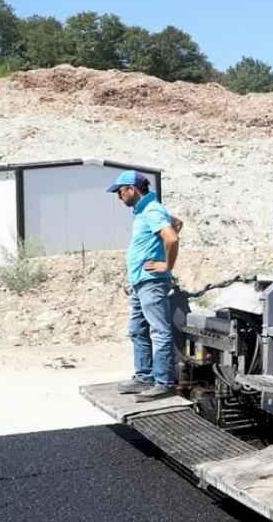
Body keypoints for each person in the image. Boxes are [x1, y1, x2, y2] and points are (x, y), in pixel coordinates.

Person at [108, 170, 184, 402]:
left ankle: (163, 382)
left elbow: (172, 237)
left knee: (159, 331)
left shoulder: (151, 210)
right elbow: (177, 223)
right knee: (137, 329)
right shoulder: (147, 209)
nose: (119, 197)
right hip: (141, 281)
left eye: (120, 192)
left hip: (152, 282)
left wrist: (165, 264)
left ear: (132, 189)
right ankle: (144, 376)